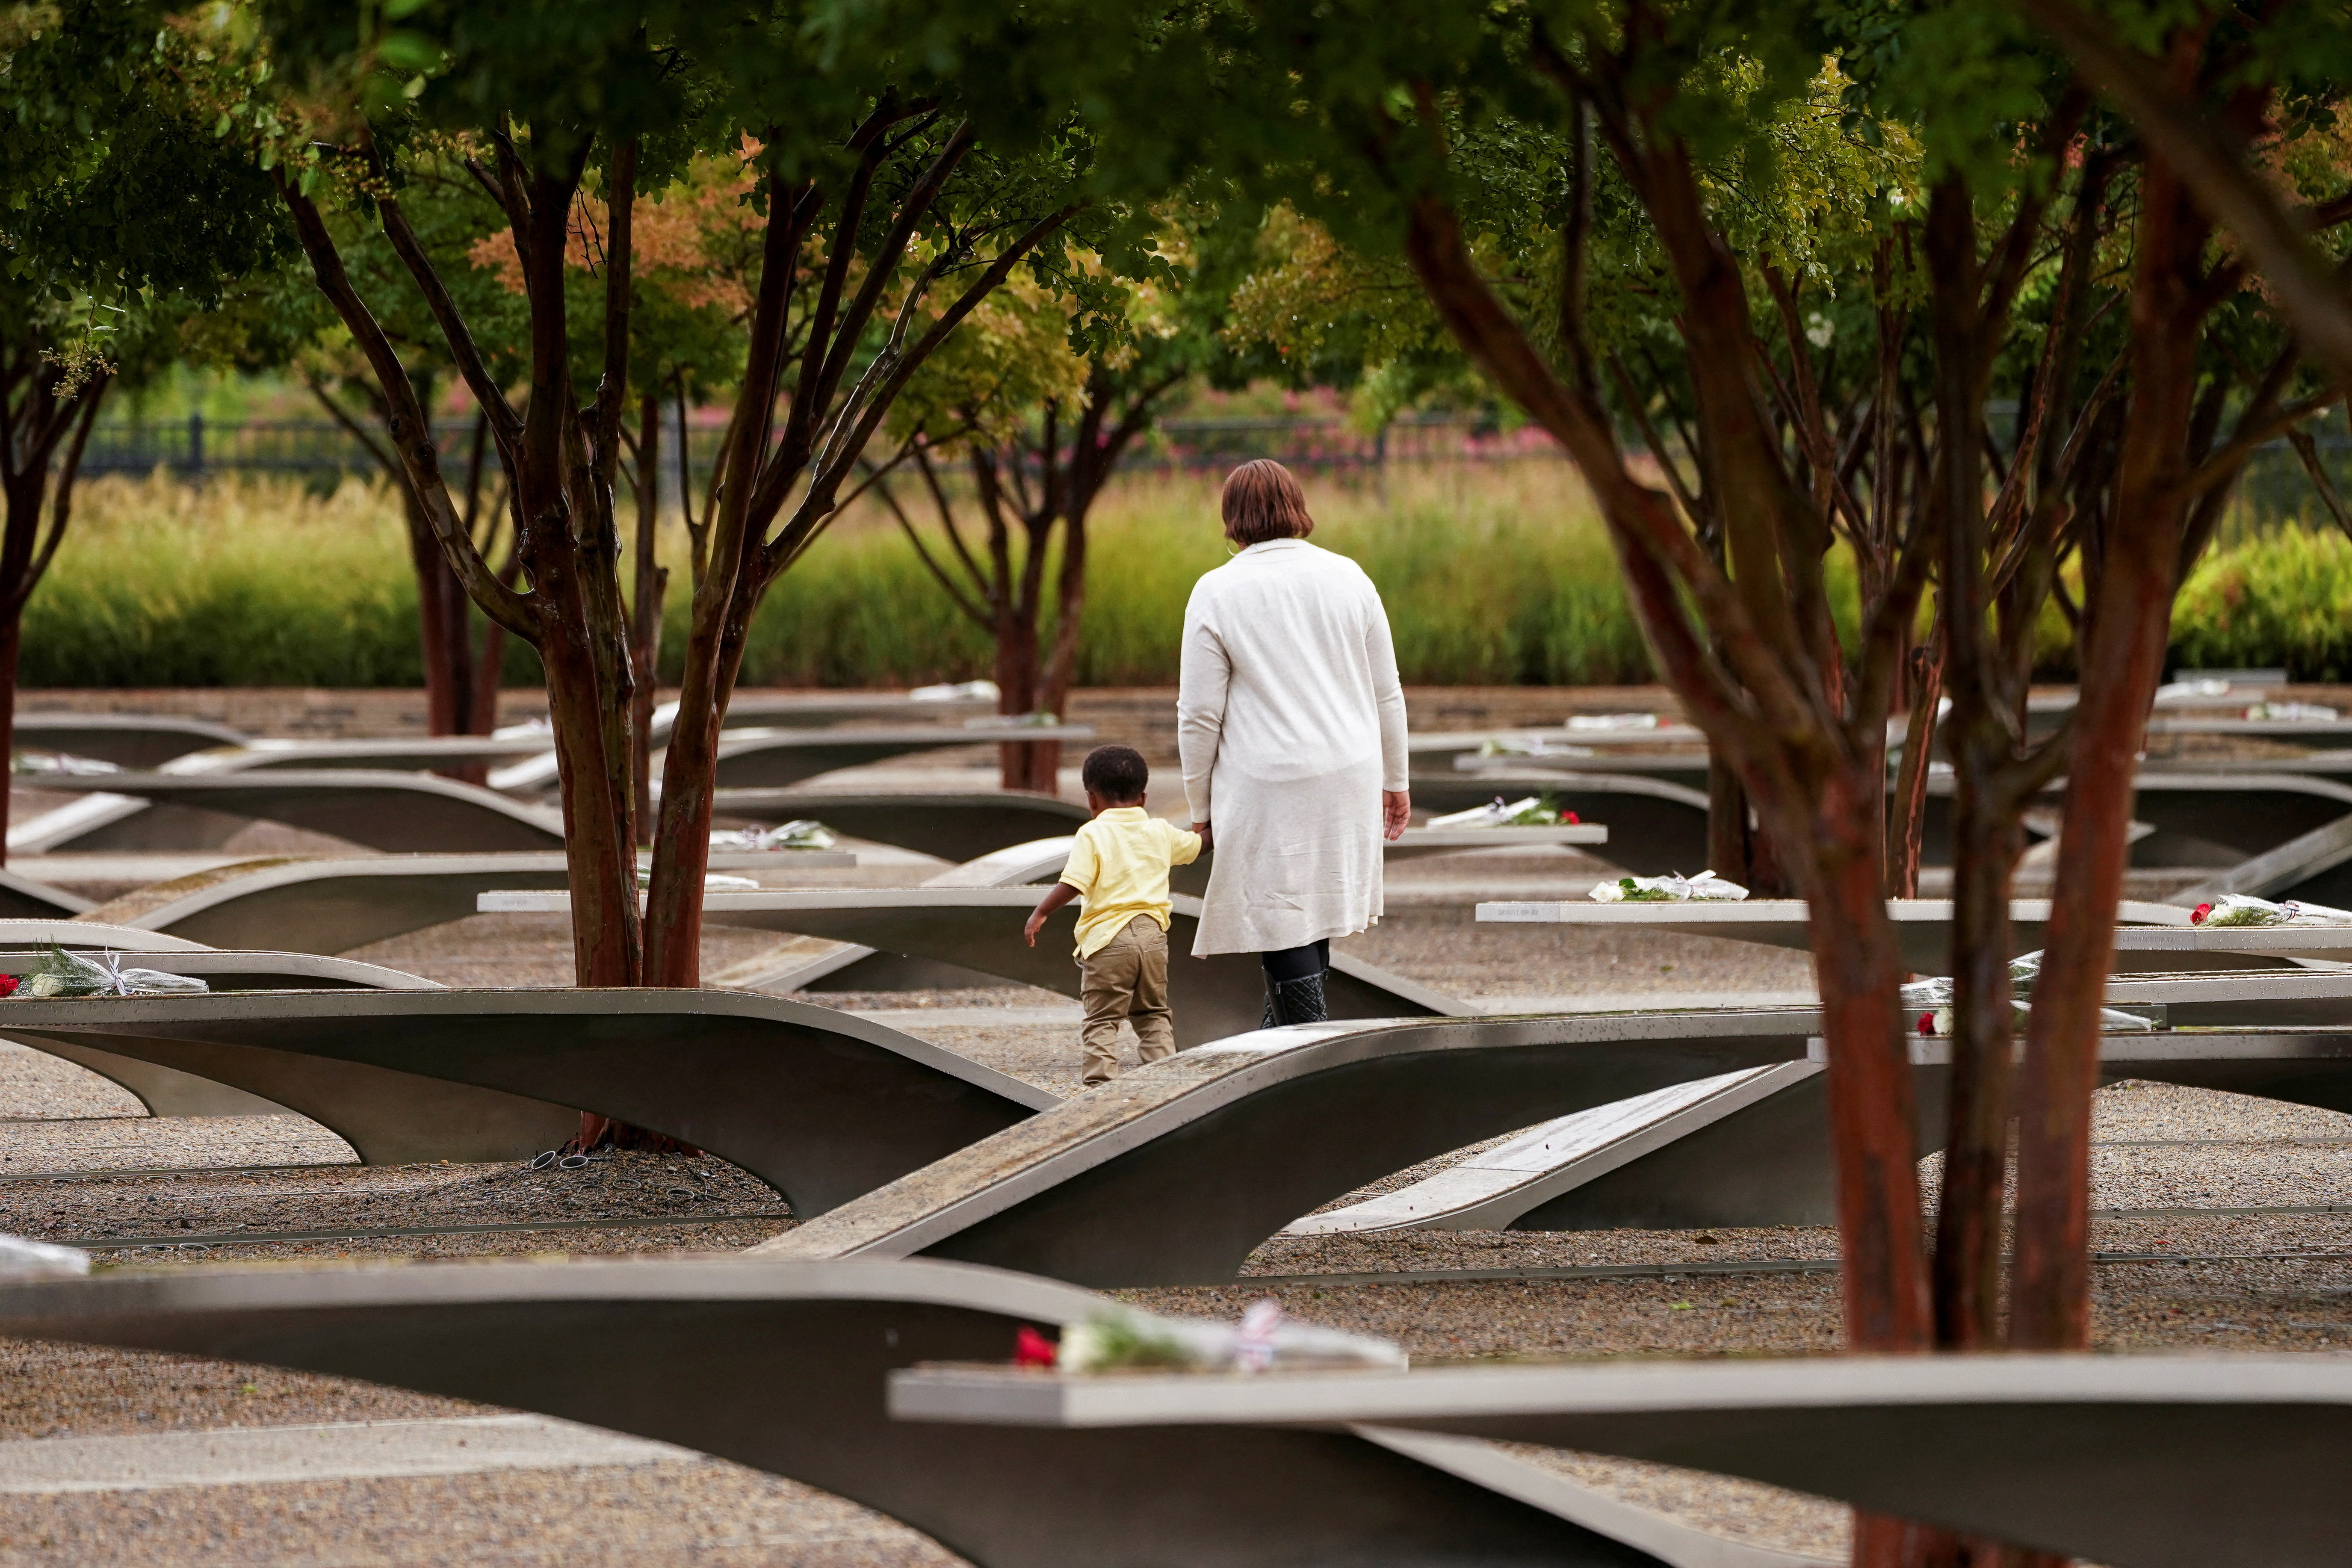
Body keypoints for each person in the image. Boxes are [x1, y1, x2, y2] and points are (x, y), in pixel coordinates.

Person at [1177, 458, 1408, 1027]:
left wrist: (1199, 808)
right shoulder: (1349, 575)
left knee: (1283, 912)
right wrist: (1396, 780)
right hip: (1349, 771)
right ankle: (1281, 1043)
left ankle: (1307, 1046)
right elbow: (1388, 694)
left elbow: (1199, 716)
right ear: (1297, 506)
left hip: (1267, 780)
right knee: (1310, 910)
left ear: (1231, 517)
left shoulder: (1216, 589)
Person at [1024, 744, 1204, 1088]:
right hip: (1153, 939)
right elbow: (1199, 845)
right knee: (1153, 1014)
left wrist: (1041, 911)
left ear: (1092, 800)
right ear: (1144, 798)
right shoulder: (1160, 831)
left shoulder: (1093, 833)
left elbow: (1073, 882)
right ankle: (1167, 1085)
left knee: (1103, 1020)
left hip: (1108, 942)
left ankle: (1100, 1090)